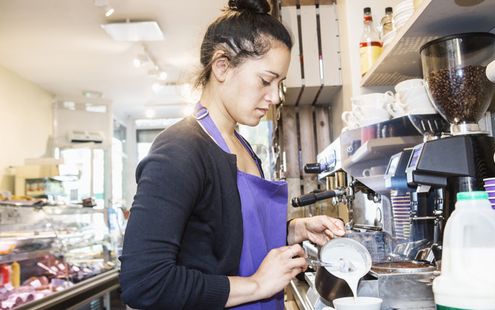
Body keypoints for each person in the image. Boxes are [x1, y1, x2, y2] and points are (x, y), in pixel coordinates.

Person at [119, 0, 346, 309]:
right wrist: (256, 285)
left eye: (280, 84)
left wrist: (291, 229)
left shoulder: (244, 147)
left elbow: (223, 234)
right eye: (266, 80)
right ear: (222, 66)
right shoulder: (179, 149)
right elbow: (144, 282)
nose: (275, 96)